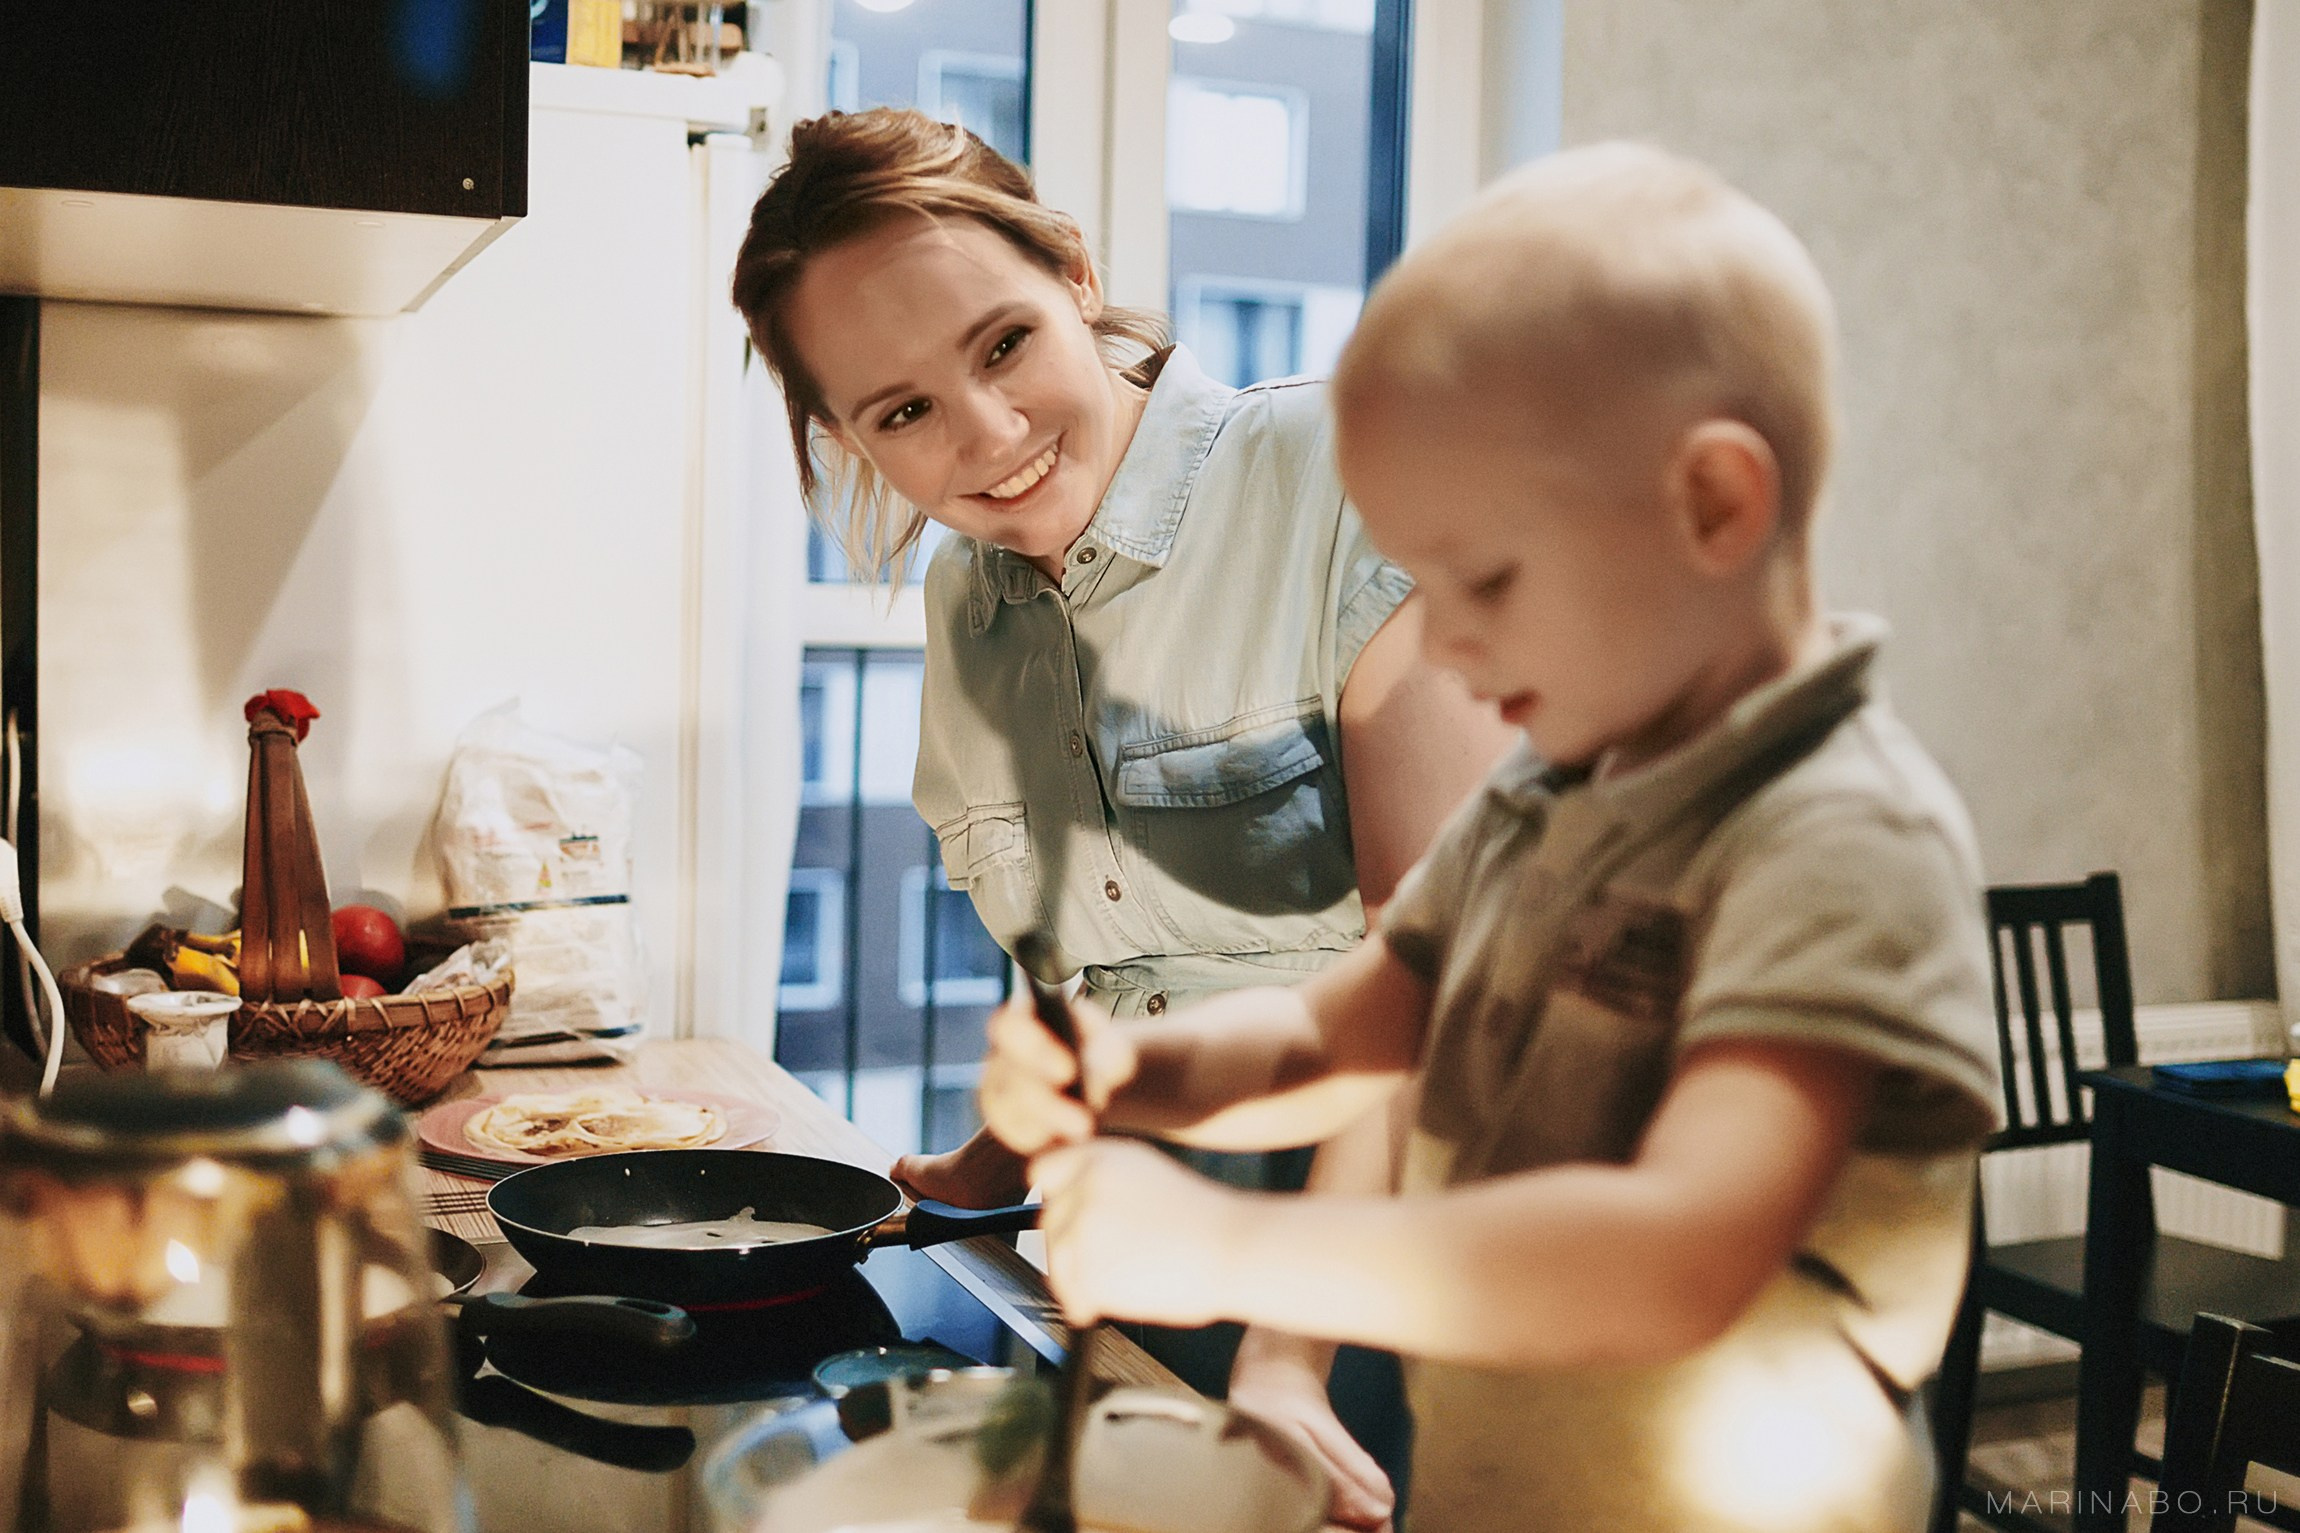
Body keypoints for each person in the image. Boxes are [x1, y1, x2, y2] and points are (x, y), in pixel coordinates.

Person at [978, 141, 2004, 1533]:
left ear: (1712, 503)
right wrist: (1125, 1071)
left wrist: (1237, 1246)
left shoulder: (1838, 837)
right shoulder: (1539, 804)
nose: (1444, 643)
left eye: (1486, 577)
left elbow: (1673, 1255)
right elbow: (1325, 1043)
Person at [727, 108, 1514, 1528]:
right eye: (902, 411)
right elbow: (1082, 963)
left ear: (1073, 274)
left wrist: (1289, 1356)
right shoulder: (969, 594)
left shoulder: (1339, 477)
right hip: (1140, 1257)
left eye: (1003, 344)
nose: (990, 435)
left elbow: (1434, 983)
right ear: (849, 440)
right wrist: (962, 1177)